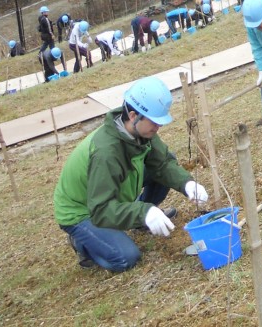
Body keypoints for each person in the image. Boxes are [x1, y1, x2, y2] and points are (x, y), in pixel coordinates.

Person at [54, 77, 209, 272]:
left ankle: (140, 221)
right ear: (134, 115)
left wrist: (187, 183)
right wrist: (143, 211)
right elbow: (100, 209)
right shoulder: (106, 154)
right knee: (126, 258)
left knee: (164, 167)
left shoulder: (142, 132)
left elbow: (161, 164)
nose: (158, 127)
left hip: (110, 190)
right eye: (154, 122)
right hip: (84, 210)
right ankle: (83, 243)